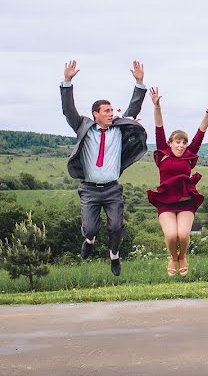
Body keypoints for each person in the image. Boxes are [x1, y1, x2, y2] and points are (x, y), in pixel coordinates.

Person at [60, 59, 148, 276]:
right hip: (89, 189)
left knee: (116, 226)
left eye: (111, 110)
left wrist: (139, 82)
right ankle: (89, 239)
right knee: (91, 228)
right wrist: (67, 82)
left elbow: (133, 109)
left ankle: (114, 255)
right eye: (106, 111)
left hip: (111, 188)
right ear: (95, 114)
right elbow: (68, 110)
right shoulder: (83, 127)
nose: (111, 114)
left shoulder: (119, 128)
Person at [146, 88, 208, 276]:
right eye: (177, 142)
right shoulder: (162, 152)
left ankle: (183, 256)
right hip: (165, 203)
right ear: (170, 143)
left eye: (184, 142)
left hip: (186, 202)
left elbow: (201, 131)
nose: (181, 145)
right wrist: (157, 105)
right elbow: (159, 126)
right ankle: (173, 257)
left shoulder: (189, 154)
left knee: (183, 235)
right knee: (171, 235)